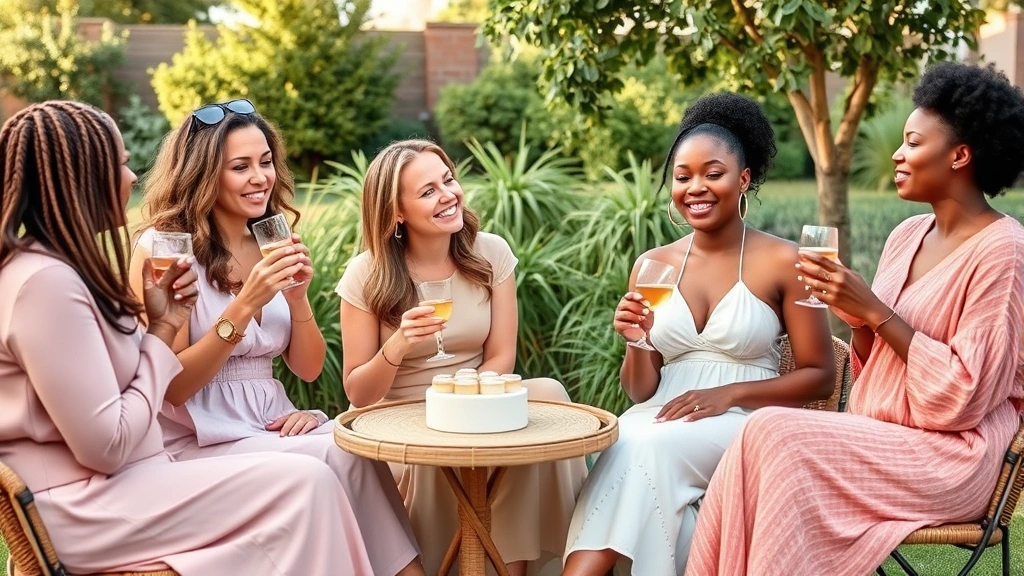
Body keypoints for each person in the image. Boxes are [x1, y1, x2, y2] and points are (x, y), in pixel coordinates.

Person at [0, 100, 373, 575]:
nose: (134, 177)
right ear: (81, 179)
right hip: (87, 507)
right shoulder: (44, 283)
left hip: (130, 479)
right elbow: (108, 444)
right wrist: (164, 332)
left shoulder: (54, 271)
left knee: (330, 466)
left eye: (265, 163)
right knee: (307, 481)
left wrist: (291, 303)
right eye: (119, 162)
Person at [686, 62, 1024, 576]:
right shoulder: (907, 235)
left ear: (959, 155)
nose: (897, 153)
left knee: (776, 430)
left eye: (913, 142)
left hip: (952, 457)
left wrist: (875, 310)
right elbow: (876, 363)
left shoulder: (1004, 253)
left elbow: (966, 395)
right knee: (762, 432)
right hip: (881, 436)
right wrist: (858, 318)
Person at [129, 100, 423, 576]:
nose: (261, 177)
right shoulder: (167, 248)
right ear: (203, 175)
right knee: (335, 456)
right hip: (196, 435)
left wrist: (299, 298)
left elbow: (305, 368)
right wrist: (246, 304)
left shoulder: (270, 237)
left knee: (359, 445)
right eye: (240, 166)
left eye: (265, 162)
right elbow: (173, 387)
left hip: (269, 419)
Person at [562, 93, 836, 576]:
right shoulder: (652, 265)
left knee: (642, 447)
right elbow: (640, 390)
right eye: (683, 176)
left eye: (713, 173)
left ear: (743, 179)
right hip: (660, 412)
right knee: (630, 437)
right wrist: (637, 341)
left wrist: (726, 393)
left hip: (749, 419)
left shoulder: (784, 260)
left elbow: (819, 377)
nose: (696, 188)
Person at [335, 139, 588, 576]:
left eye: (447, 180)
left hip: (478, 397)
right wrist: (395, 347)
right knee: (444, 440)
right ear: (396, 212)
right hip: (401, 418)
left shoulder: (490, 254)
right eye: (428, 191)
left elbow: (501, 357)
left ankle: (515, 567)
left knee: (545, 395)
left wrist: (465, 402)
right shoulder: (367, 274)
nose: (448, 194)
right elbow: (358, 390)